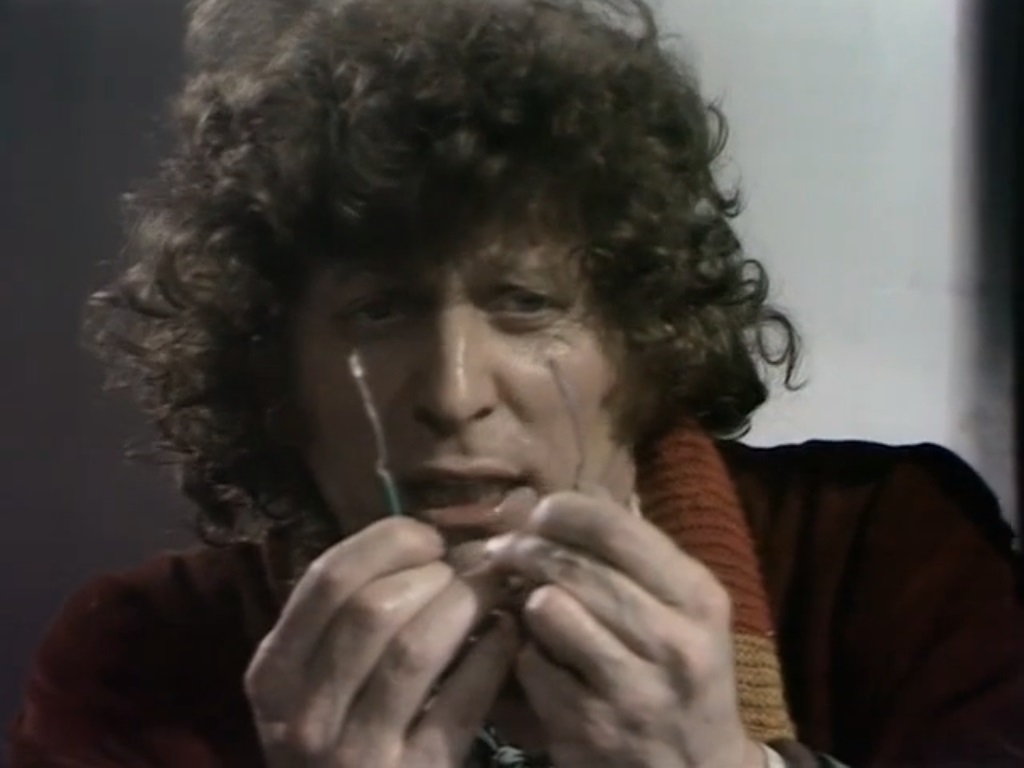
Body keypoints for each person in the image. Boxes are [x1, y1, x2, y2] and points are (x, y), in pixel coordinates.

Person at [8, 0, 1024, 765]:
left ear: (642, 342)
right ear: (273, 372)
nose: (454, 395)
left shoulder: (892, 558)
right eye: (380, 310)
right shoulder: (140, 658)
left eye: (527, 303)